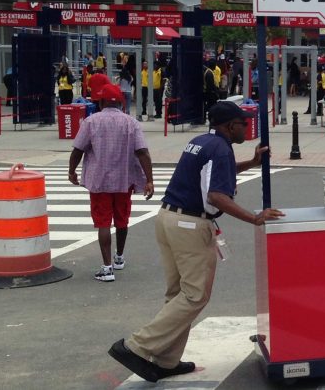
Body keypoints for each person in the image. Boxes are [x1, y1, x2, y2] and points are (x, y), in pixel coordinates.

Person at [108, 101, 282, 383]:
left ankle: (166, 360)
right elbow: (215, 195)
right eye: (243, 123)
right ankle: (137, 346)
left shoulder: (201, 142)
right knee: (194, 295)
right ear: (229, 126)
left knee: (178, 294)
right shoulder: (222, 150)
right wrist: (255, 218)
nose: (247, 127)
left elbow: (210, 177)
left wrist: (251, 163)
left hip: (168, 218)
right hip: (190, 225)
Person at [68, 83, 154, 282]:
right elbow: (143, 152)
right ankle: (119, 257)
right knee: (122, 220)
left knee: (103, 222)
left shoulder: (91, 121)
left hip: (99, 182)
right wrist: (149, 179)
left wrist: (72, 171)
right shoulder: (131, 123)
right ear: (120, 103)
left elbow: (77, 150)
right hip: (125, 181)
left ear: (102, 101)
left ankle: (107, 268)